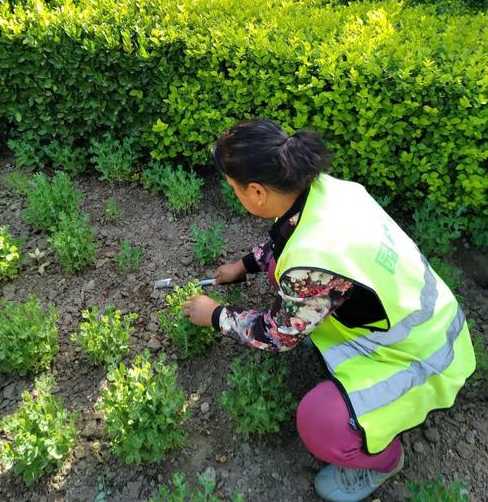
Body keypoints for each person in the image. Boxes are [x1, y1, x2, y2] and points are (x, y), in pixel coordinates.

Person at [182, 119, 476, 502]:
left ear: (255, 192)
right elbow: (285, 236)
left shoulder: (313, 262)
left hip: (422, 358)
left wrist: (216, 315)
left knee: (320, 421)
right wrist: (244, 266)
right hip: (423, 318)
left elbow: (277, 334)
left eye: (233, 187)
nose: (232, 193)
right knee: (282, 271)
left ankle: (382, 460)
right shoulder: (328, 191)